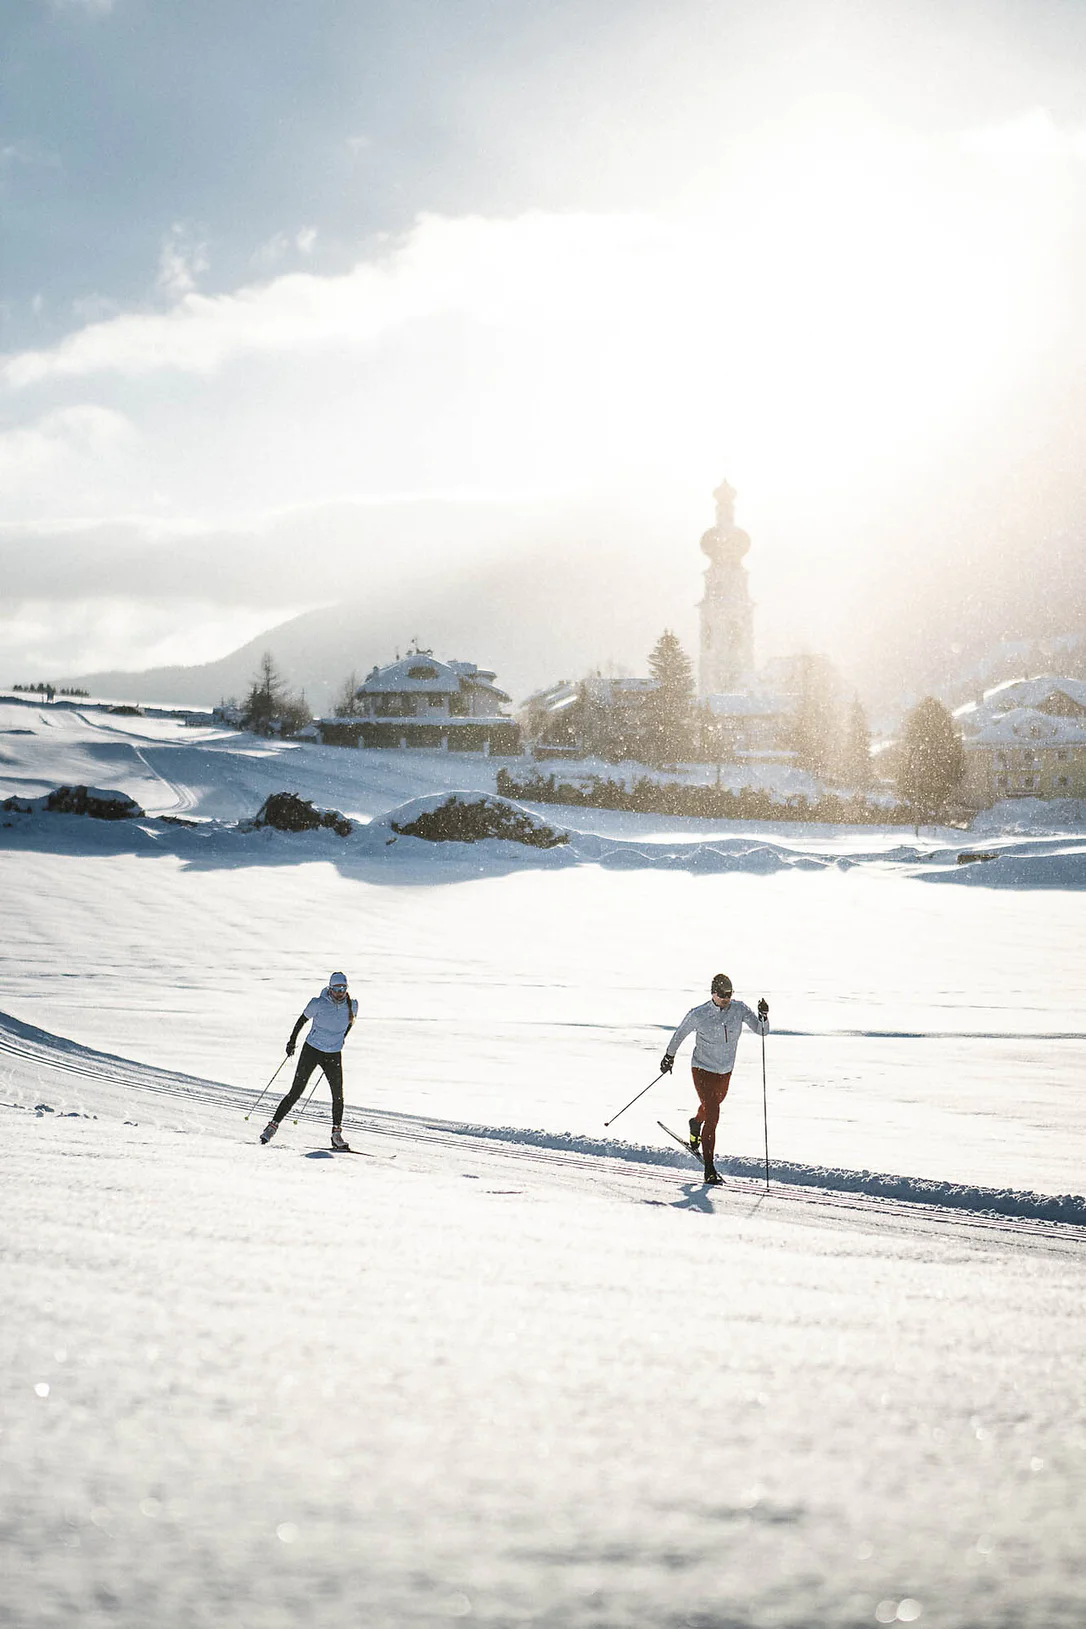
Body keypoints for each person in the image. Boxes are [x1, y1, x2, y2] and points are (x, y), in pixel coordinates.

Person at [660, 973, 769, 1185]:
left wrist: (763, 1015)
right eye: (722, 994)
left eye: (729, 994)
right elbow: (679, 1034)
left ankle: (695, 1123)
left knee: (711, 1108)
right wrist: (669, 1056)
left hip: (725, 1071)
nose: (726, 998)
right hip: (702, 1069)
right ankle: (709, 1167)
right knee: (714, 1114)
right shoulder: (699, 1014)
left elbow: (762, 1031)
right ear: (713, 993)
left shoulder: (739, 1010)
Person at [260, 972, 358, 1150]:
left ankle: (336, 1134)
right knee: (296, 1091)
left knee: (338, 1095)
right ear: (330, 988)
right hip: (312, 1050)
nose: (340, 992)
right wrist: (292, 1041)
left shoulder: (353, 1006)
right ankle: (271, 1127)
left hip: (333, 1054)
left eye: (343, 988)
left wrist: (340, 1039)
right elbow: (302, 1020)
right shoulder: (318, 1003)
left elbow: (349, 1024)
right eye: (336, 989)